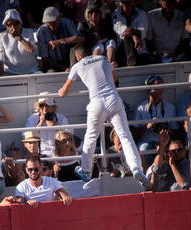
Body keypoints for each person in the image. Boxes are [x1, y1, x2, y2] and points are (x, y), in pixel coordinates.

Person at [58, 44, 151, 190]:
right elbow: (115, 79)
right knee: (125, 136)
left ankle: (86, 170)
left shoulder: (77, 65)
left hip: (97, 103)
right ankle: (136, 168)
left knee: (91, 137)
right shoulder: (103, 59)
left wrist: (61, 91)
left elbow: (64, 91)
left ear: (78, 56)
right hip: (114, 100)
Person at [134, 74, 179, 155]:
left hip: (165, 141)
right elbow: (135, 133)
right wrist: (147, 126)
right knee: (143, 149)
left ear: (162, 88)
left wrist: (164, 129)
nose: (154, 88)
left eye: (158, 85)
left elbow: (175, 131)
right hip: (146, 142)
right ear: (147, 89)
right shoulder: (140, 107)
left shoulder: (170, 107)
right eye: (151, 85)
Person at [36, 6, 83, 72]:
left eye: (53, 21)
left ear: (59, 18)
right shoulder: (42, 32)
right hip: (52, 65)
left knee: (75, 46)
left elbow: (80, 38)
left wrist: (60, 42)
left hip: (68, 60)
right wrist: (63, 68)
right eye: (48, 22)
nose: (51, 24)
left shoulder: (67, 23)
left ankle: (74, 68)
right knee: (51, 72)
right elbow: (45, 58)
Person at [0, 9, 38, 75]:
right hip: (10, 73)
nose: (13, 27)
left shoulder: (29, 32)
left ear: (20, 23)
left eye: (16, 24)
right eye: (9, 25)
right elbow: (0, 58)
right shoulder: (2, 36)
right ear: (6, 26)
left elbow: (31, 50)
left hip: (31, 71)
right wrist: (3, 74)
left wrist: (19, 37)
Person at [76, 0, 117, 66]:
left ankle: (110, 64)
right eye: (91, 12)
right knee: (99, 47)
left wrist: (103, 40)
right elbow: (83, 42)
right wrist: (94, 39)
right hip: (92, 52)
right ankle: (95, 66)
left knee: (111, 42)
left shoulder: (106, 21)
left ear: (101, 13)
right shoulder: (83, 25)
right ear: (87, 13)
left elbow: (112, 36)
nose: (94, 15)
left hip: (106, 48)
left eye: (97, 12)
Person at [112, 0, 150, 66]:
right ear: (120, 3)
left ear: (133, 2)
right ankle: (131, 57)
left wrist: (132, 31)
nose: (125, 6)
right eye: (123, 3)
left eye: (128, 3)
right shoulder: (116, 13)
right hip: (121, 52)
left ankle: (131, 58)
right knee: (126, 38)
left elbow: (142, 31)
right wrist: (134, 35)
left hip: (139, 50)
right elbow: (119, 28)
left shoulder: (142, 14)